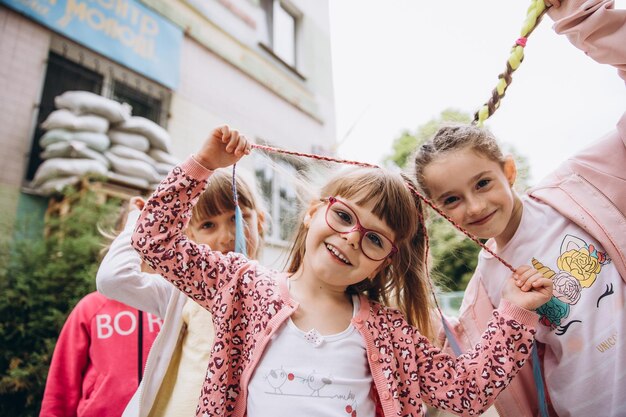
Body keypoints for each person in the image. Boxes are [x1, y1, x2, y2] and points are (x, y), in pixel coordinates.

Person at [130, 124, 552, 417]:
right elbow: (154, 241)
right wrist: (203, 163)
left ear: (384, 261)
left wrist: (515, 311)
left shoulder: (388, 332)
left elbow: (467, 390)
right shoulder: (241, 286)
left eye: (374, 239)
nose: (352, 237)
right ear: (315, 211)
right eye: (344, 217)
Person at [412, 1, 625, 415]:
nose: (474, 206)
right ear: (438, 210)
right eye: (451, 199)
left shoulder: (582, 185)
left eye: (483, 183)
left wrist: (580, 17)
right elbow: (466, 376)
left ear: (508, 171)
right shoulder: (485, 293)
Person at [96, 168, 265, 417]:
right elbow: (113, 279)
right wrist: (139, 221)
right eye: (209, 225)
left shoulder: (274, 292)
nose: (227, 236)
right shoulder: (182, 292)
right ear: (190, 235)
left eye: (237, 218)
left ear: (259, 222)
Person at [39, 206, 162, 417]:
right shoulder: (91, 308)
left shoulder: (178, 302)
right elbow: (62, 381)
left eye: (155, 232)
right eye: (135, 233)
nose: (145, 241)